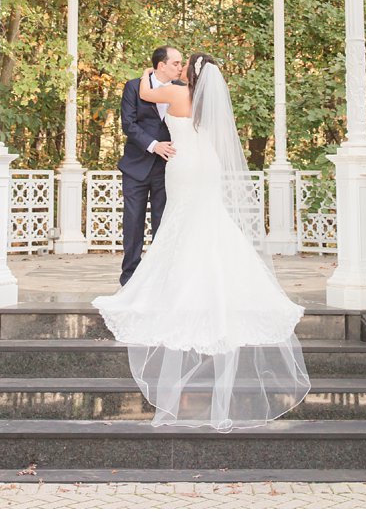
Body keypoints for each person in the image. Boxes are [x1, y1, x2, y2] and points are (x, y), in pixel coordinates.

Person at [93, 52, 310, 431]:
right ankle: (218, 280)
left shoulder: (176, 94)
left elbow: (146, 93)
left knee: (180, 222)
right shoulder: (209, 101)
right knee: (208, 221)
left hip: (183, 166)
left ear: (188, 72)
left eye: (183, 64)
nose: (178, 68)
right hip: (205, 165)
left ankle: (171, 283)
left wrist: (148, 72)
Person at [116, 45, 181, 286]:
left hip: (169, 166)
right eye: (175, 63)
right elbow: (128, 124)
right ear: (161, 65)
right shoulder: (134, 86)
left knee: (163, 220)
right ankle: (129, 277)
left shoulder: (182, 89)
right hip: (136, 165)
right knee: (133, 220)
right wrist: (154, 145)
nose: (180, 68)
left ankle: (161, 276)